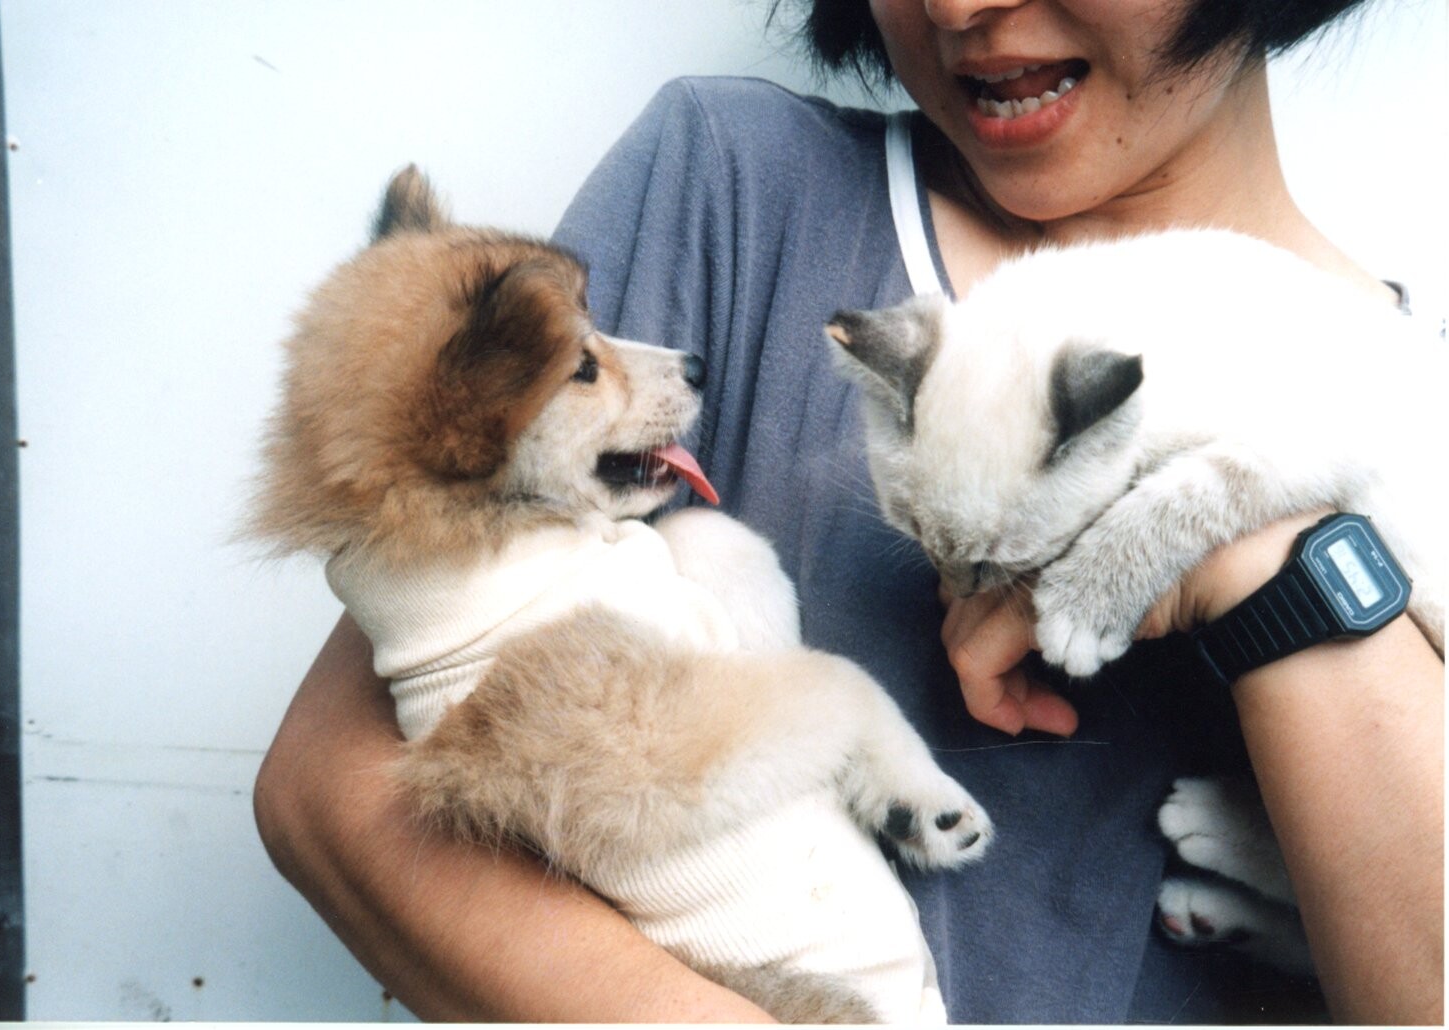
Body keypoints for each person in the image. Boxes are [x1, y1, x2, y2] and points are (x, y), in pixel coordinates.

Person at [253, 0, 1444, 1022]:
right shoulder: (740, 187)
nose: (958, 6)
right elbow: (338, 794)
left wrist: (1255, 549)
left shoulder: (1415, 419)